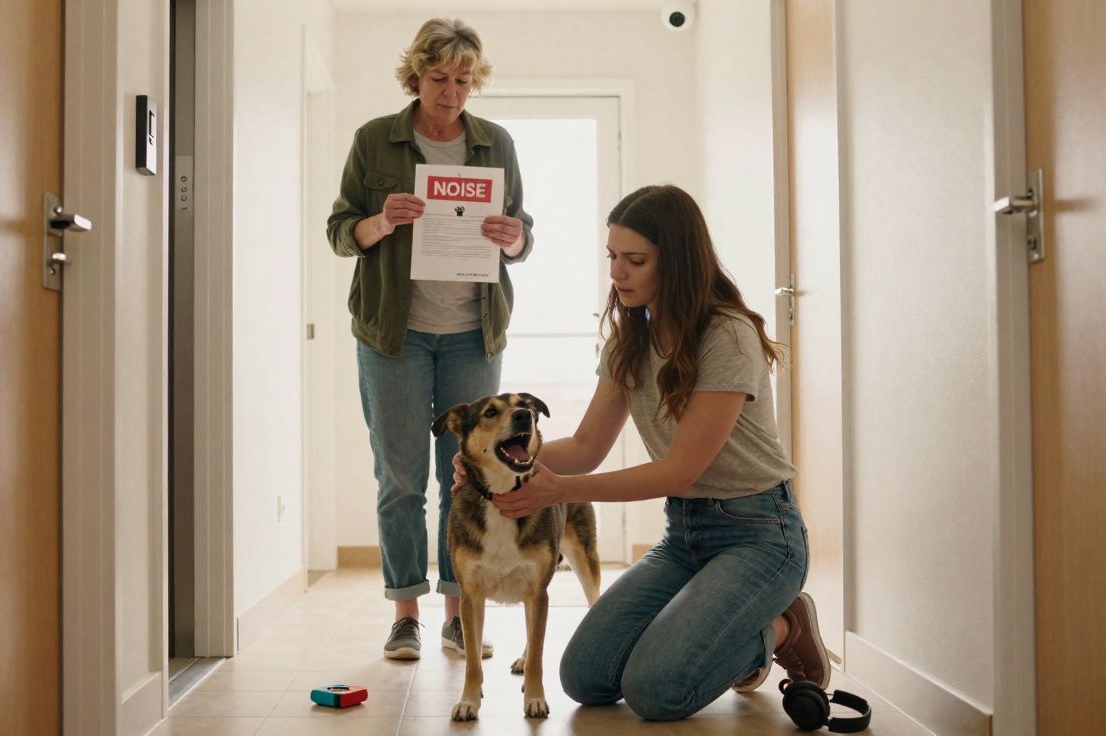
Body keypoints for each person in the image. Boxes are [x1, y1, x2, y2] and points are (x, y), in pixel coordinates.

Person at [454, 184, 829, 720]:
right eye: (612, 257)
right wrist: (489, 466)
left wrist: (560, 490)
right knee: (585, 676)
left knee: (657, 691)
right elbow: (584, 448)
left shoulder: (728, 335)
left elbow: (681, 471)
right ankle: (702, 625)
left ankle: (783, 625)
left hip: (760, 534)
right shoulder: (629, 341)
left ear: (676, 264)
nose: (617, 273)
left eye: (635, 260)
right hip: (684, 535)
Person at [326, 17, 534, 662]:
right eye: (439, 79)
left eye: (464, 80)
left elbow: (524, 232)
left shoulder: (494, 142)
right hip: (394, 335)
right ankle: (406, 615)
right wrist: (380, 222)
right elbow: (339, 232)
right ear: (414, 76)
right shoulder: (375, 141)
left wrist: (514, 237)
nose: (451, 93)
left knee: (469, 478)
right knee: (400, 478)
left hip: (474, 333)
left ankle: (457, 611)